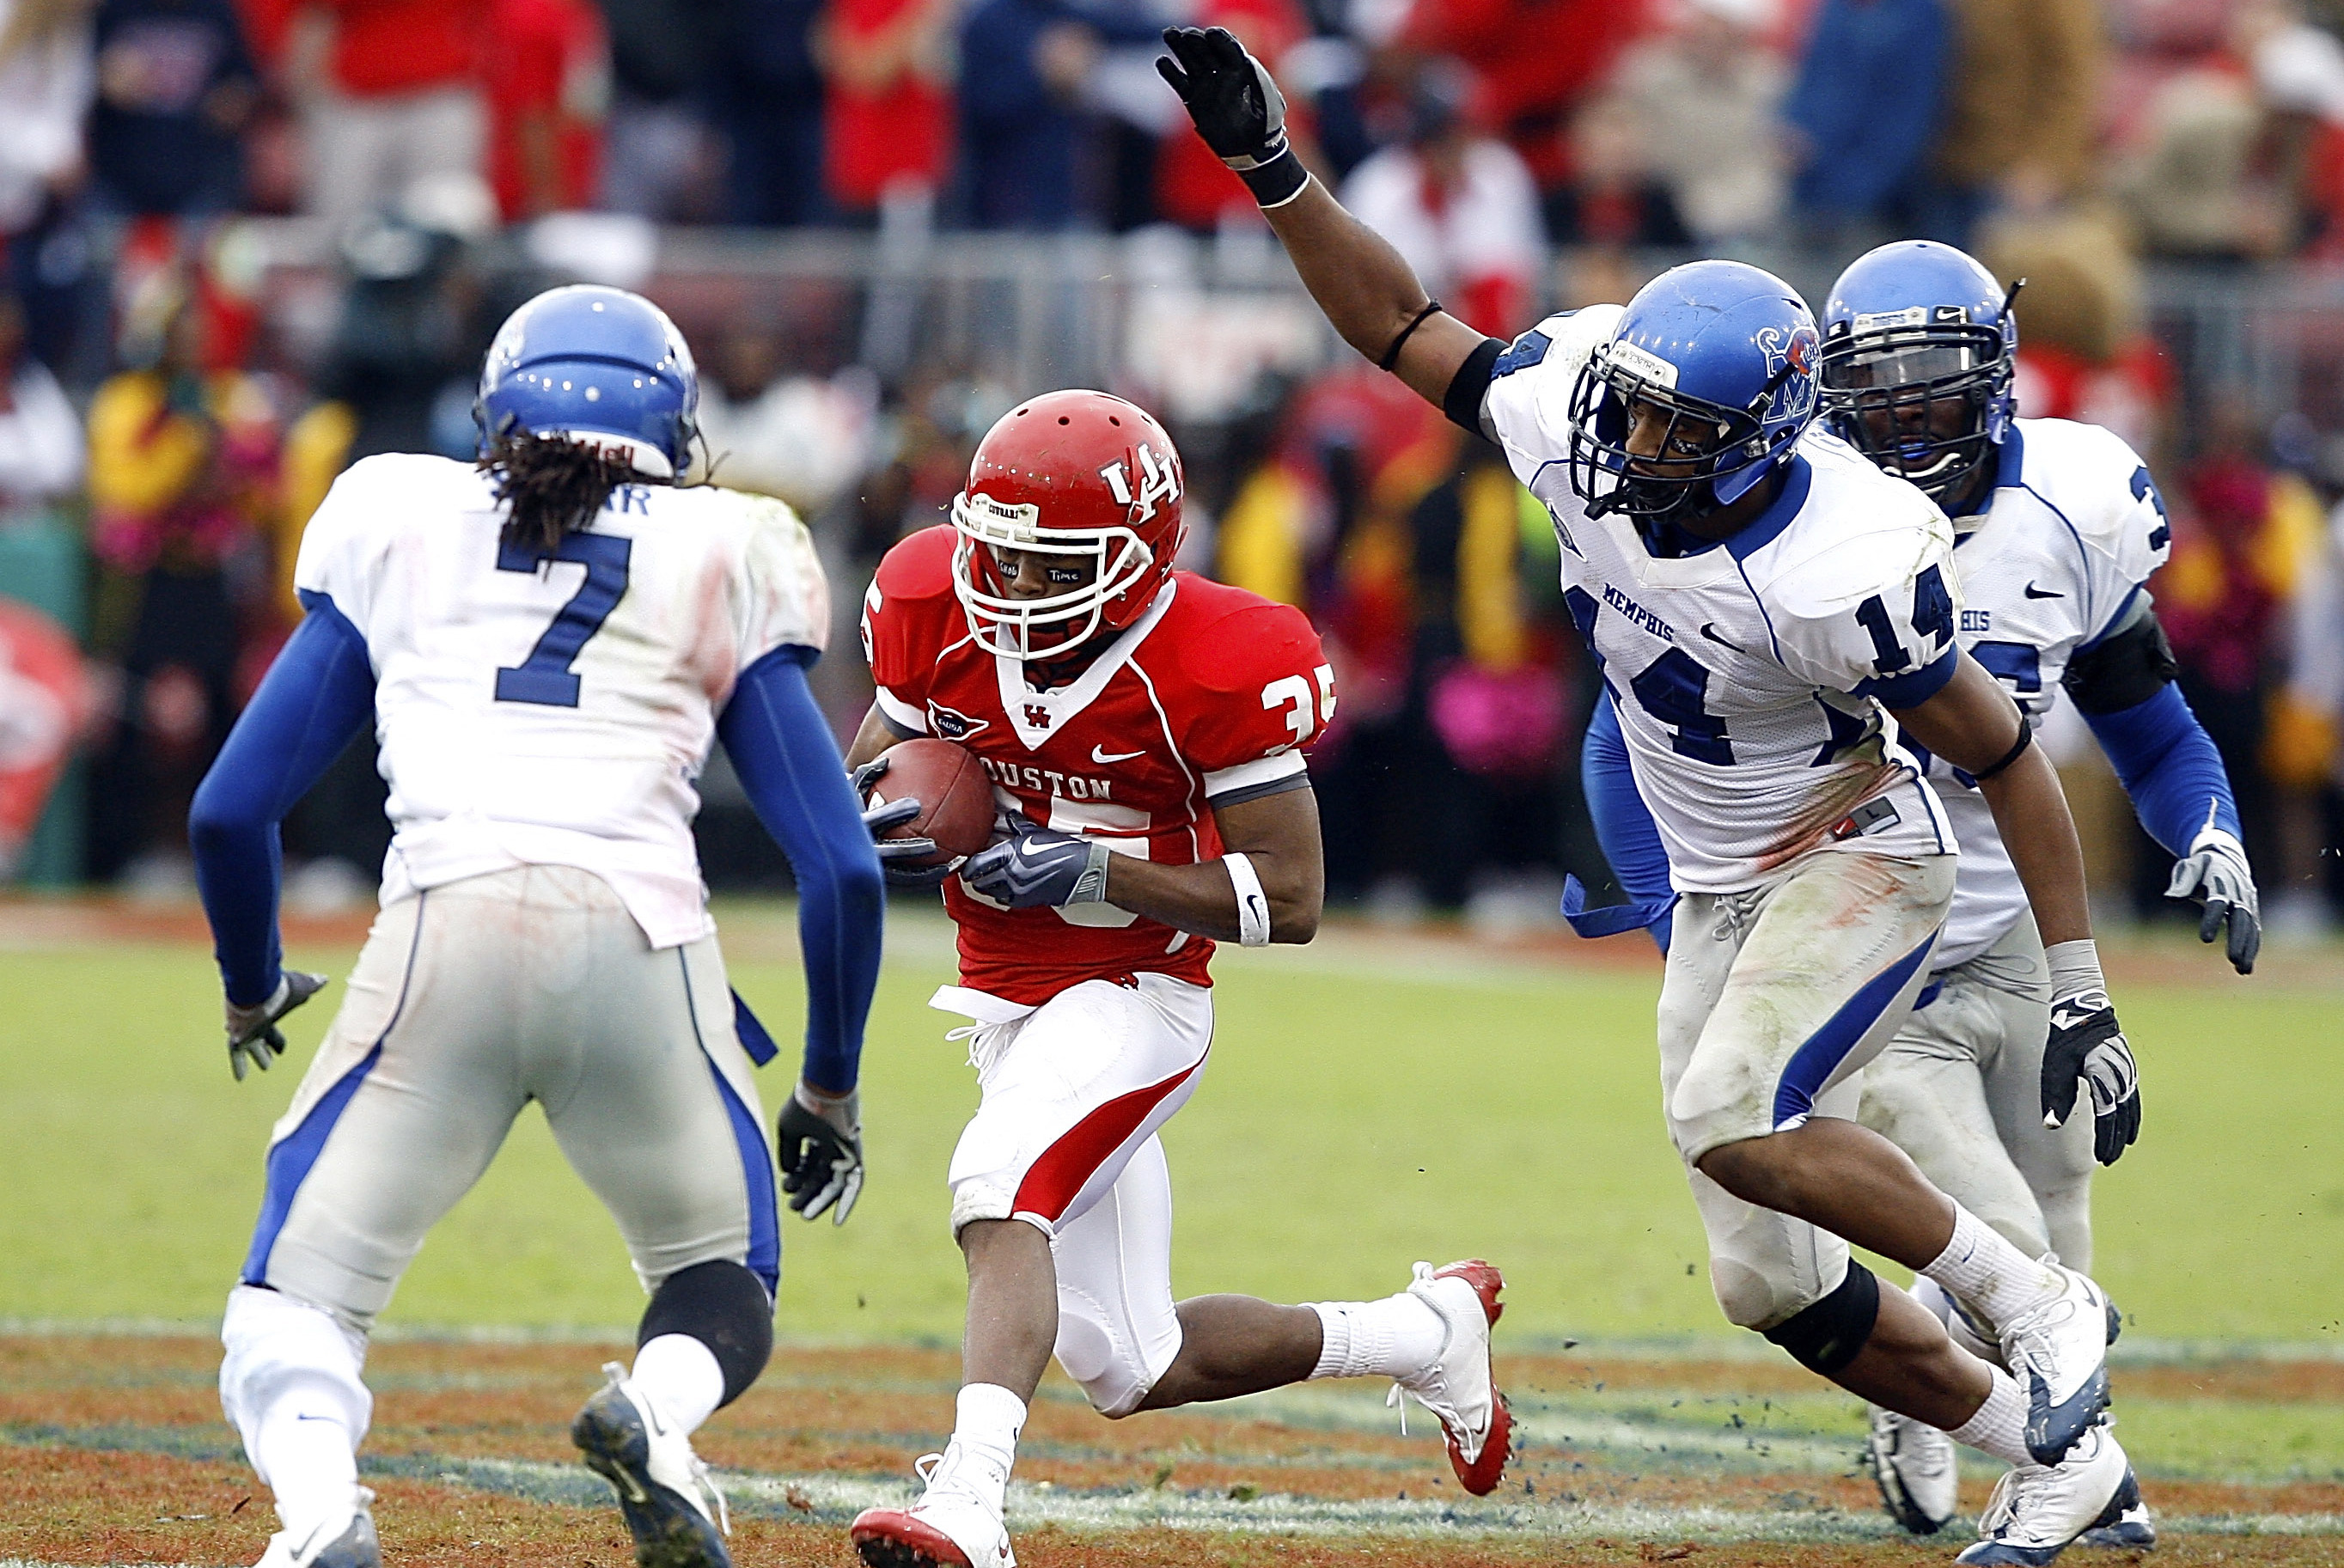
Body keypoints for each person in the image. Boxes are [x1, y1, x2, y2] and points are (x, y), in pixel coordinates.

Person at [1158, 27, 2141, 1565]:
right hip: (1719, 882)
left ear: (1760, 438)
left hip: (1855, 852)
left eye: (1675, 428)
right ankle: (2060, 1457)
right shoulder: (1577, 416)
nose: (1628, 444)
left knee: (1733, 1112)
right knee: (1769, 1281)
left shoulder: (1841, 562)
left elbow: (2004, 749)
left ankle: (2040, 1300)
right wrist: (1276, 169)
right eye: (1630, 409)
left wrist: (2077, 980)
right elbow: (1403, 322)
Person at [185, 284, 885, 1568]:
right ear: (671, 427)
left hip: (442, 924)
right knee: (720, 1275)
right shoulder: (731, 542)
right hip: (639, 940)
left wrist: (251, 981)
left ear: (497, 406)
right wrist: (829, 1088)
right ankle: (656, 1416)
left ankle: (321, 1515)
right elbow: (840, 866)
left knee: (299, 1300)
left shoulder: (398, 513)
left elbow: (232, 811)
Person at [1578, 240, 2260, 1550]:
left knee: (2059, 1213)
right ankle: (2059, 1454)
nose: (1901, 427)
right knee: (2009, 1244)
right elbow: (1636, 722)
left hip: (2015, 920)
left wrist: (2210, 833)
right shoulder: (1800, 530)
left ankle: (2011, 1437)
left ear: (1999, 385)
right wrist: (1684, 915)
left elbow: (2149, 725)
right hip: (1861, 916)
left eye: (1933, 397)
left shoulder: (2071, 504)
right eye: (1875, 398)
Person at [842, 388, 1510, 1568]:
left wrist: (1094, 868)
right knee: (1132, 1363)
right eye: (996, 553)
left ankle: (971, 1501)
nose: (1008, 587)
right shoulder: (927, 599)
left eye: (1050, 566)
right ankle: (1423, 1329)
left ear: (1137, 561)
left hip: (1138, 999)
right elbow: (878, 774)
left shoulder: (1212, 655)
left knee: (1001, 1185)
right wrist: (891, 818)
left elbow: (1289, 900)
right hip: (1007, 1003)